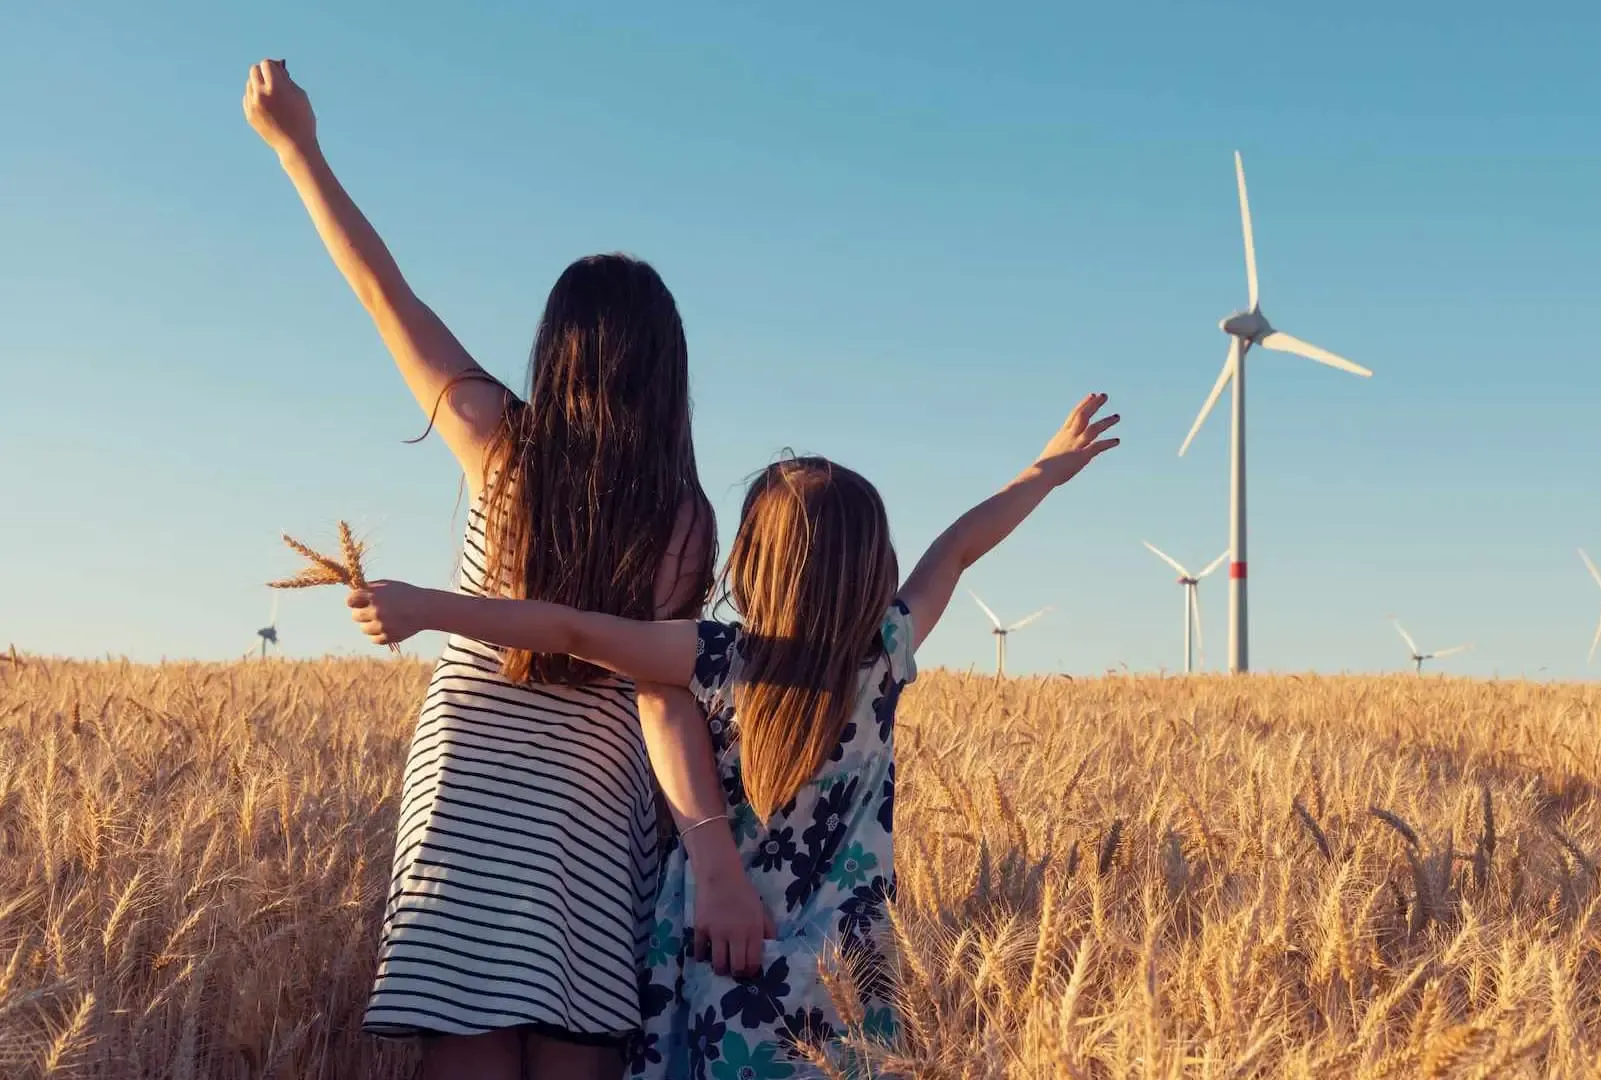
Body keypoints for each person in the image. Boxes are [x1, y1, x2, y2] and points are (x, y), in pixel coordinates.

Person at [243, 59, 766, 1080]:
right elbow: (663, 697)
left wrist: (297, 150)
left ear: (556, 351)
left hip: (470, 795)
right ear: (669, 369)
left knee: (468, 1043)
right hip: (593, 815)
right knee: (575, 1052)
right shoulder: (684, 521)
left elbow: (379, 292)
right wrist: (711, 851)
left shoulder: (497, 443)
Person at [342, 393, 1122, 1077]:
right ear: (873, 565)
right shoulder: (886, 655)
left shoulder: (711, 657)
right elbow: (957, 546)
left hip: (713, 956)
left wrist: (429, 607)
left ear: (749, 561)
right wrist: (1044, 472)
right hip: (844, 967)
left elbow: (570, 627)